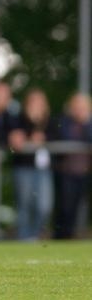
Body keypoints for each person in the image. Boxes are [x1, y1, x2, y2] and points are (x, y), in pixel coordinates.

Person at [8, 88, 55, 240]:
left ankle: (34, 234)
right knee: (24, 204)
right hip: (24, 168)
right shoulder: (18, 119)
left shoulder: (50, 121)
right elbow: (13, 137)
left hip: (43, 169)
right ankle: (24, 237)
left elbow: (57, 136)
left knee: (44, 206)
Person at [53, 92, 92, 239]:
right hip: (66, 171)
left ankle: (69, 235)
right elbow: (62, 137)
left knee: (77, 206)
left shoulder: (89, 124)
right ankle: (60, 236)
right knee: (64, 207)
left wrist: (86, 124)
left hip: (84, 172)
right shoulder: (64, 121)